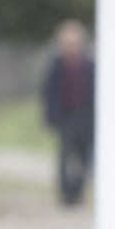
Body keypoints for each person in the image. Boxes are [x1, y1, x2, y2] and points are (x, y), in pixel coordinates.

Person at [41, 20, 95, 207]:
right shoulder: (56, 65)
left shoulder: (89, 65)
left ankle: (78, 192)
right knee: (65, 156)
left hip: (85, 116)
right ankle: (65, 193)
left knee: (83, 157)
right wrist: (49, 118)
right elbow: (49, 92)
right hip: (66, 116)